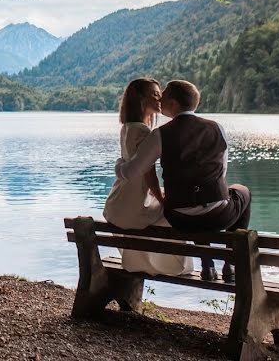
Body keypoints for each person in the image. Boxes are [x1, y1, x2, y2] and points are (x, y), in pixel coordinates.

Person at [116, 79, 252, 282]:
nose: (160, 97)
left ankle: (207, 265)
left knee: (190, 204)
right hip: (217, 217)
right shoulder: (216, 128)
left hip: (180, 219)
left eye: (165, 94)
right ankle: (230, 264)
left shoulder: (159, 135)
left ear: (174, 104)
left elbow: (131, 172)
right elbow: (221, 171)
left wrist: (119, 164)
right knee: (242, 192)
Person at [103, 78, 193, 276]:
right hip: (133, 207)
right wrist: (161, 198)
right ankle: (171, 266)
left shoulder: (128, 127)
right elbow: (149, 174)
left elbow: (134, 172)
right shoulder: (143, 131)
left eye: (160, 93)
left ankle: (141, 263)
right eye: (154, 94)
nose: (159, 97)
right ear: (140, 99)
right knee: (173, 215)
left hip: (117, 204)